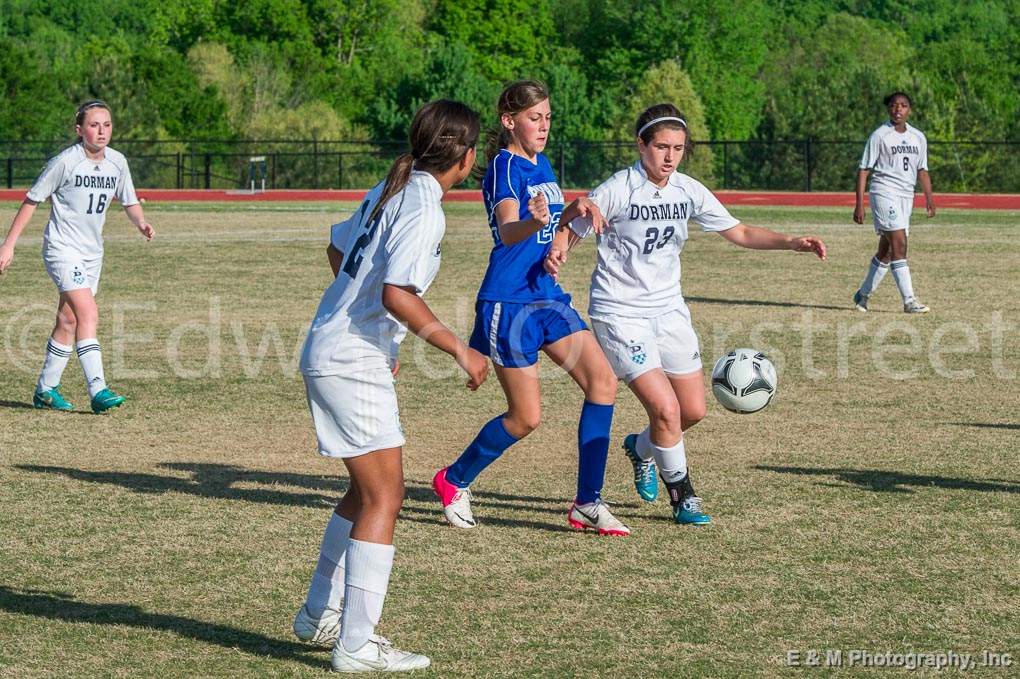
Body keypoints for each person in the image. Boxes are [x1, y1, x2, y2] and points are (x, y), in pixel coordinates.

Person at [544, 103, 827, 525]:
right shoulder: (619, 188)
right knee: (666, 410)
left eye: (678, 148)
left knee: (692, 410)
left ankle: (640, 449)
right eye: (661, 146)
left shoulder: (688, 190)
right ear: (641, 145)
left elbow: (741, 231)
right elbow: (574, 226)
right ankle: (684, 497)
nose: (670, 156)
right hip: (620, 312)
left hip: (669, 311)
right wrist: (560, 247)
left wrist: (792, 241)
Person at [293, 99, 489, 673]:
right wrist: (459, 348)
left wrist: (374, 335)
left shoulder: (393, 184)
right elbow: (397, 293)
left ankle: (316, 616)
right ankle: (355, 645)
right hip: (348, 360)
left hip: (337, 349)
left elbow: (338, 247)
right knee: (385, 497)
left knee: (363, 492)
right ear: (467, 155)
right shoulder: (423, 203)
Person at [430, 80, 630, 536]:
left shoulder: (542, 162)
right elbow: (507, 230)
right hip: (510, 302)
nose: (543, 127)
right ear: (509, 121)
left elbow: (549, 220)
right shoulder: (503, 167)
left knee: (602, 382)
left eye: (547, 118)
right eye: (534, 118)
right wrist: (534, 221)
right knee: (526, 418)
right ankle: (453, 479)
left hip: (547, 297)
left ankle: (587, 503)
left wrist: (568, 215)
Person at [0, 100, 154, 413]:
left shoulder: (117, 162)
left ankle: (45, 389)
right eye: (94, 125)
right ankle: (98, 389)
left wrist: (141, 222)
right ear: (79, 130)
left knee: (69, 319)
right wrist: (8, 244)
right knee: (89, 313)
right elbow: (32, 201)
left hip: (92, 253)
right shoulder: (65, 162)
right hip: (61, 248)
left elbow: (129, 200)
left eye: (107, 124)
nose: (102, 131)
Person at [852, 91, 935, 313]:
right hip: (883, 192)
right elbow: (863, 170)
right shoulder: (880, 135)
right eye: (894, 105)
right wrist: (859, 204)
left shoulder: (918, 136)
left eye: (903, 105)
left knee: (888, 251)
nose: (898, 109)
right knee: (900, 243)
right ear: (888, 109)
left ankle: (863, 295)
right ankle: (909, 301)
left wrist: (929, 198)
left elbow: (922, 169)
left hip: (906, 196)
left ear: (910, 109)